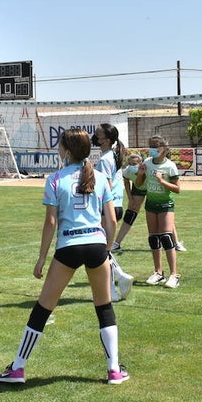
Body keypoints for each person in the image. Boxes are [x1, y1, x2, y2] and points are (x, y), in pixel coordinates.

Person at [0, 128, 125, 385]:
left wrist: (41, 258)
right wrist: (107, 249)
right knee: (104, 307)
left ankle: (18, 368)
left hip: (69, 247)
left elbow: (50, 223)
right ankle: (114, 371)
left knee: (43, 307)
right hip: (96, 245)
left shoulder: (55, 179)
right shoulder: (100, 178)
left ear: (66, 151)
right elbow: (110, 221)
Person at [93, 123, 135, 301]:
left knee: (100, 252)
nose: (94, 137)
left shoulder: (104, 160)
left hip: (108, 206)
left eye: (98, 134)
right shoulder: (112, 156)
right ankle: (119, 278)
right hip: (115, 205)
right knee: (102, 250)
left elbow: (106, 186)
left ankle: (113, 287)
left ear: (107, 140)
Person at [137, 135, 182, 289]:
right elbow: (138, 184)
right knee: (153, 238)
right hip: (151, 204)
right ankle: (158, 272)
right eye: (150, 146)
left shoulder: (170, 166)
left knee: (166, 237)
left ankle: (174, 275)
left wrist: (162, 181)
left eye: (154, 146)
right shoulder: (147, 163)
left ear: (163, 149)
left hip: (165, 204)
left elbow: (177, 189)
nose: (151, 149)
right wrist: (141, 174)